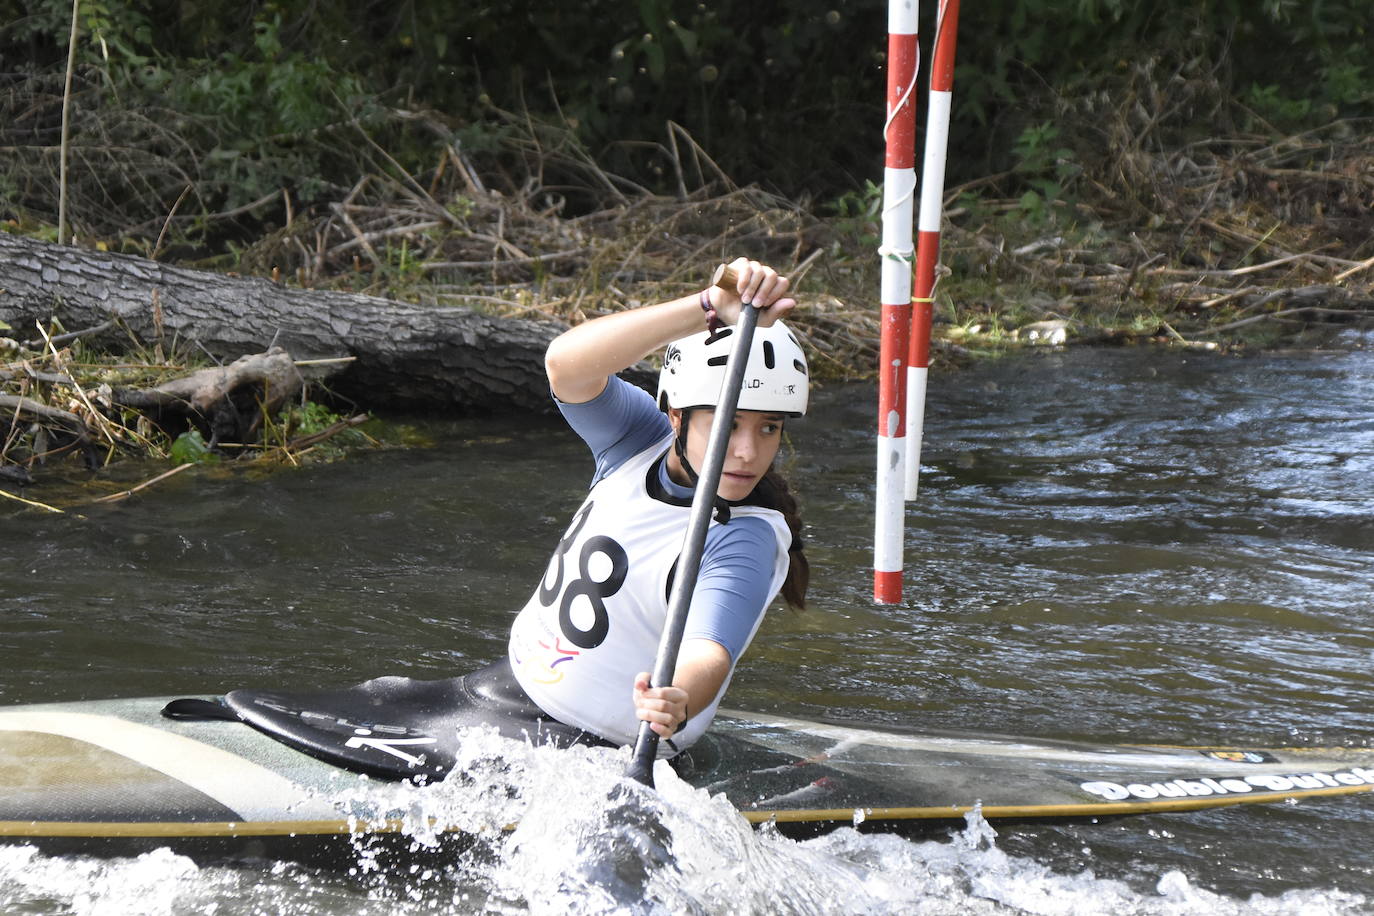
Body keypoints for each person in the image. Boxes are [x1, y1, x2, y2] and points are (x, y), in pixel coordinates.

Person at [502, 257, 811, 758]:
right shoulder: (636, 439)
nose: (749, 452)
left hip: (599, 742)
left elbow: (709, 651)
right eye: (729, 424)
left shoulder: (744, 536)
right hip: (512, 687)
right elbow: (565, 364)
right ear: (675, 416)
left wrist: (679, 698)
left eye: (768, 427)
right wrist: (708, 306)